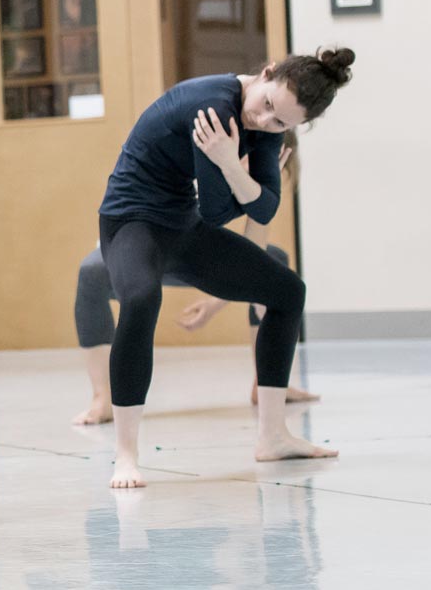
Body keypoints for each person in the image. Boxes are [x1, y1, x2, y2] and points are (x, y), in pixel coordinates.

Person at [95, 48, 355, 488]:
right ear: (265, 72)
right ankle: (125, 455)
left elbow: (267, 209)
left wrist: (230, 165)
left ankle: (273, 437)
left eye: (281, 124)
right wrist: (244, 179)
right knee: (140, 298)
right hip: (131, 220)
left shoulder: (268, 125)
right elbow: (222, 210)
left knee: (287, 292)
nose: (265, 122)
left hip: (182, 224)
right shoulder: (211, 105)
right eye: (267, 105)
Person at [73, 134, 318, 426]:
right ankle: (103, 397)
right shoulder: (202, 156)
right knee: (90, 272)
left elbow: (254, 254)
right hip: (142, 247)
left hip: (196, 256)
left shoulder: (260, 183)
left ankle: (266, 382)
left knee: (276, 263)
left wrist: (216, 303)